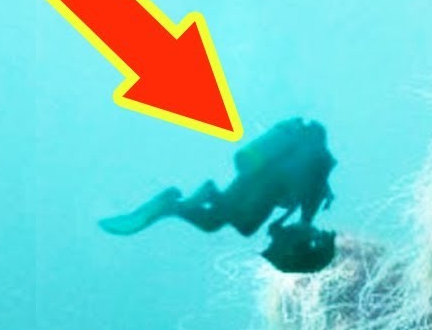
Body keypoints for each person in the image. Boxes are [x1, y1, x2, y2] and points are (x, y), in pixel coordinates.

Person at [99, 117, 338, 273]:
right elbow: (315, 168)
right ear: (298, 244)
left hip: (263, 172)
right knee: (235, 222)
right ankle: (190, 199)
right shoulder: (309, 201)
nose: (273, 238)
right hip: (265, 175)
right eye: (278, 243)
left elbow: (315, 172)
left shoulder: (308, 206)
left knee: (229, 223)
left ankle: (179, 203)